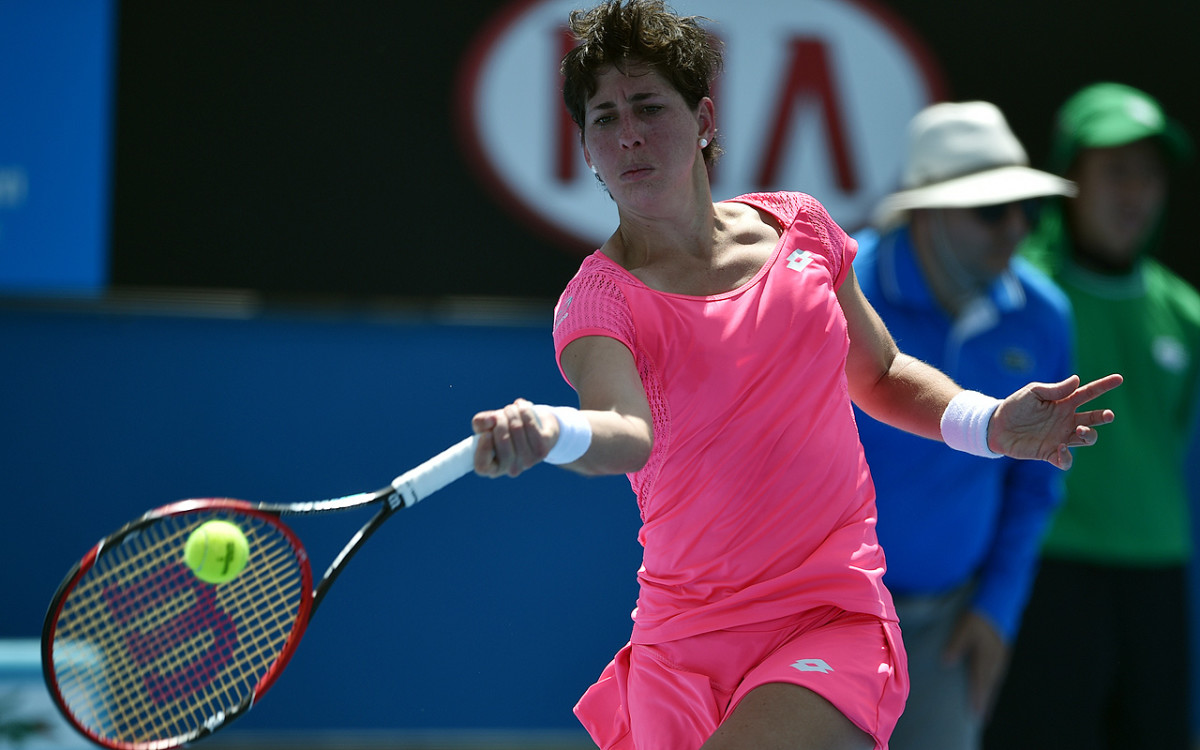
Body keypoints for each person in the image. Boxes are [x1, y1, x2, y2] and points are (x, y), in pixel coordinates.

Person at [470, 3, 1123, 748]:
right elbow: (625, 434)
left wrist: (987, 423)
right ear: (586, 148)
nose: (628, 136)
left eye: (649, 106)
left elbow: (879, 372)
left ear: (704, 116)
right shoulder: (598, 301)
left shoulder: (800, 228)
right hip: (681, 644)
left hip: (829, 614)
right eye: (603, 119)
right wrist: (554, 431)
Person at [850, 100, 1076, 750]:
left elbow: (1035, 489)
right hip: (817, 615)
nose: (1015, 229)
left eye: (1027, 210)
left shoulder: (1044, 315)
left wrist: (995, 611)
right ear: (924, 211)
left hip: (949, 623)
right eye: (989, 210)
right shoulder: (835, 293)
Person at [984, 83, 1200, 750]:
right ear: (1071, 176)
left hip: (1158, 582)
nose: (1135, 192)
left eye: (1149, 174)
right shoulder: (1018, 292)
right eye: (1116, 170)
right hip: (1049, 578)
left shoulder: (1185, 313)